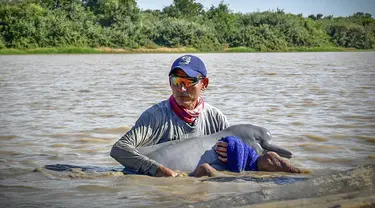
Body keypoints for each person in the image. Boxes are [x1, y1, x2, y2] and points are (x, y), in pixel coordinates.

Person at [110, 54, 304, 177]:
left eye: (189, 81)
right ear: (170, 82)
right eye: (176, 80)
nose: (182, 88)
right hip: (158, 175)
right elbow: (119, 150)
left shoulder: (215, 117)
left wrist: (235, 154)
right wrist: (159, 170)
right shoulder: (154, 117)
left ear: (205, 83)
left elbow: (231, 154)